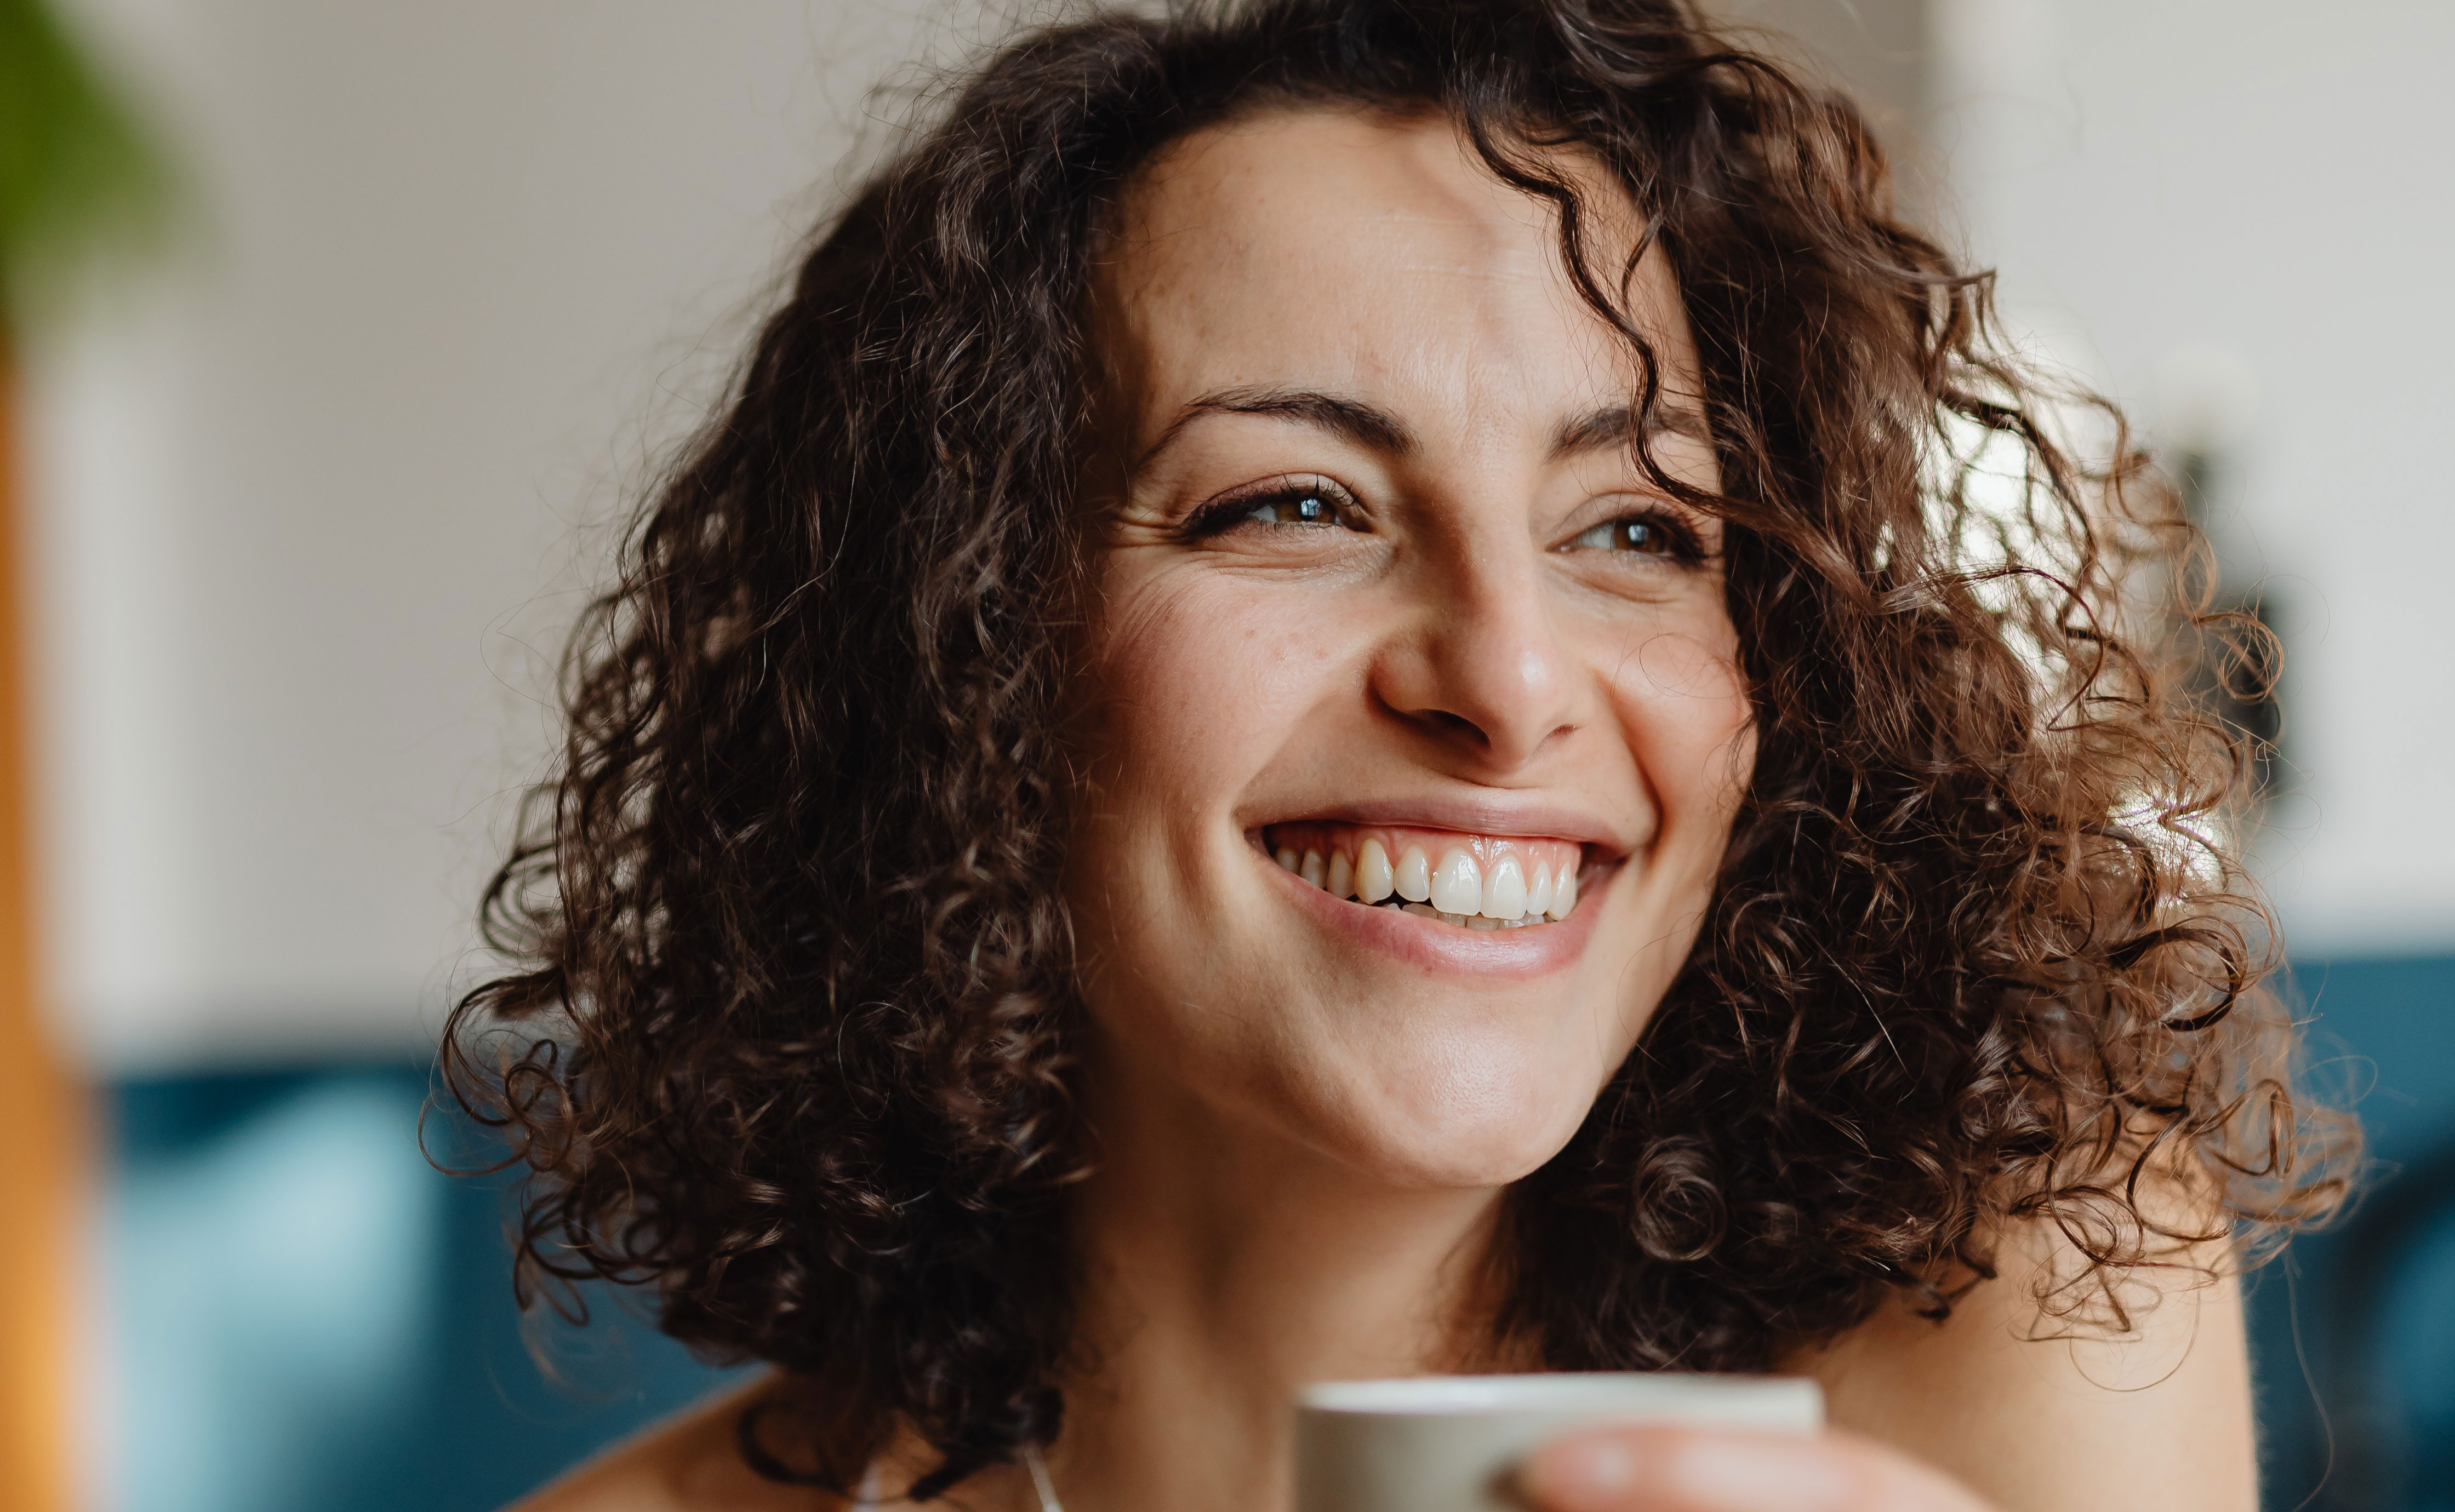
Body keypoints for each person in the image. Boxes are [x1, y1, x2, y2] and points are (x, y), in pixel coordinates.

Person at [444, 0, 2348, 1507]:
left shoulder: (2000, 1326)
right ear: (960, 655)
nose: (1510, 682)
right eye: (1291, 504)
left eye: (1637, 530)